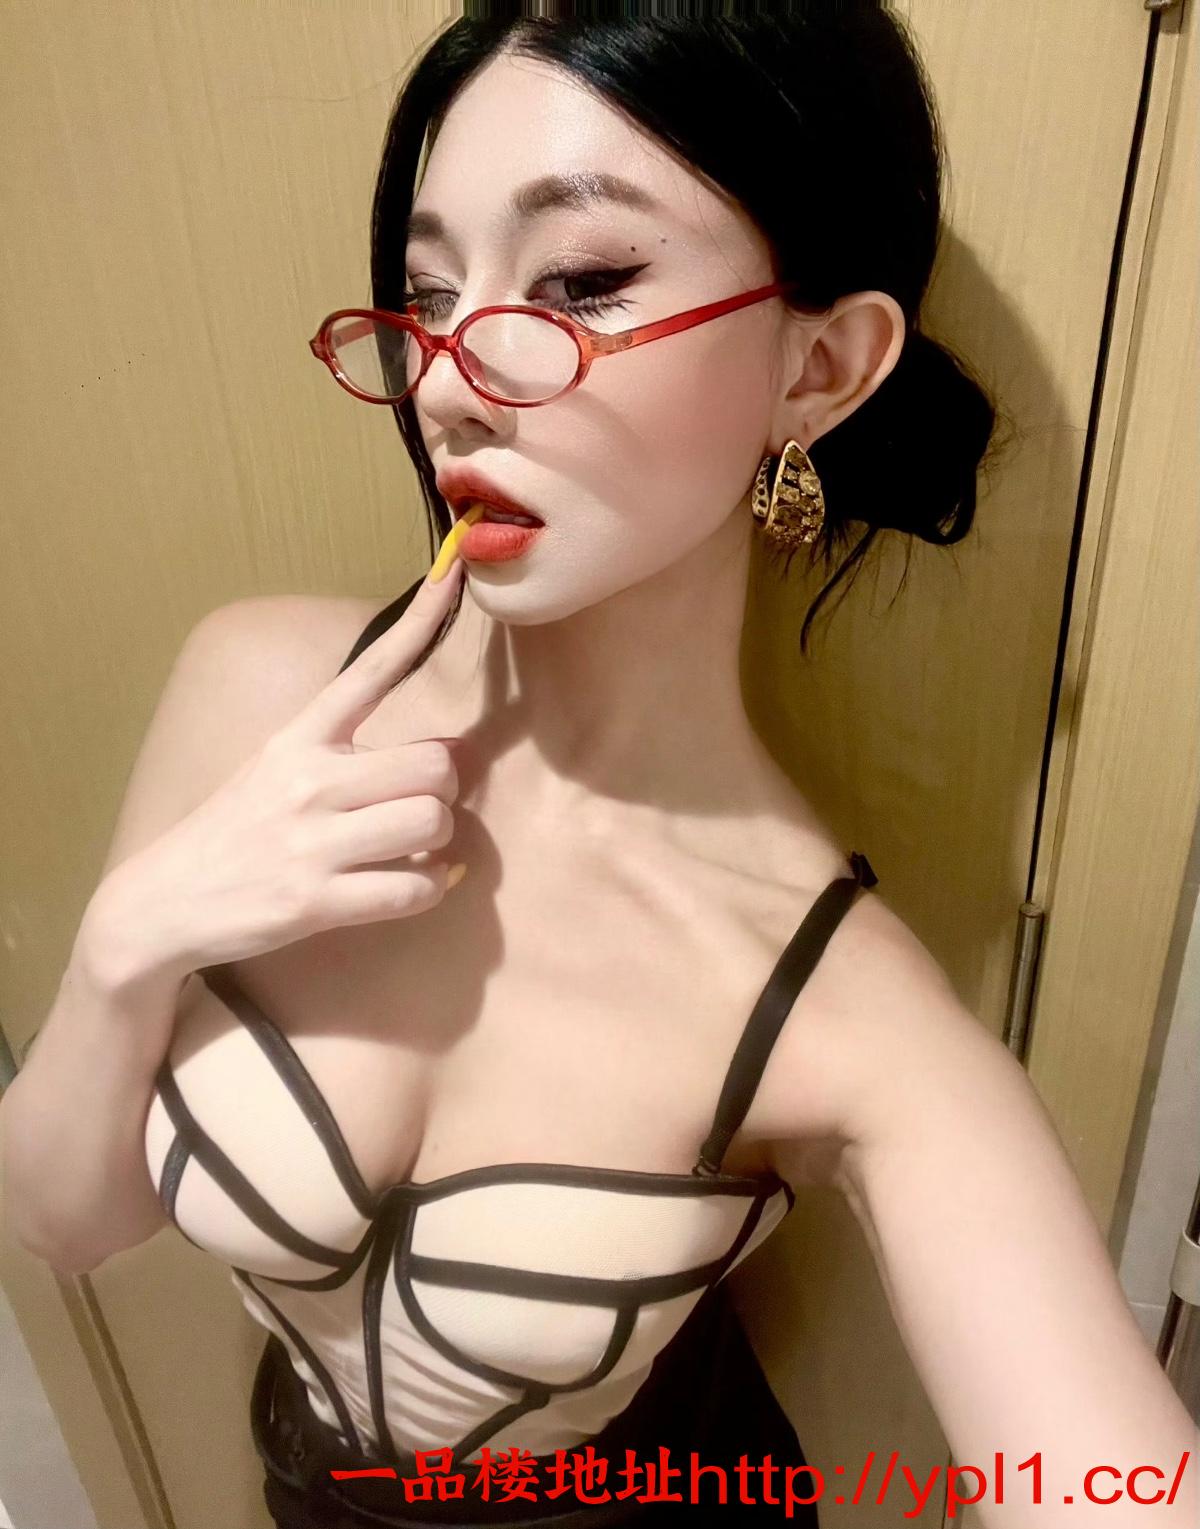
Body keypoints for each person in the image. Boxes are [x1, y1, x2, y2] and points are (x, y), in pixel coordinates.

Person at [2, 7, 1196, 1529]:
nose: (451, 381)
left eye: (581, 281)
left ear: (821, 367)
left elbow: (1110, 1485)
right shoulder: (259, 691)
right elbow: (66, 1224)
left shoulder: (839, 1009)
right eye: (430, 294)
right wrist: (125, 952)